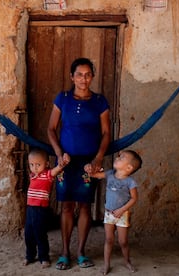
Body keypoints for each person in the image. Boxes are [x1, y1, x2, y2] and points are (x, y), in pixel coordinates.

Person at [47, 57, 111, 270]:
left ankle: (81, 252)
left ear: (92, 76)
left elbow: (106, 133)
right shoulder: (63, 98)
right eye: (79, 74)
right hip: (66, 161)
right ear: (72, 77)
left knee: (85, 206)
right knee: (66, 206)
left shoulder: (100, 101)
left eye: (88, 74)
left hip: (88, 163)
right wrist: (58, 154)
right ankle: (65, 252)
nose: (84, 79)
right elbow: (51, 129)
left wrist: (98, 158)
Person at [85, 149, 142, 275]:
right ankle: (106, 264)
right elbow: (95, 175)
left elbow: (134, 199)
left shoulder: (130, 182)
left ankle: (127, 261)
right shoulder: (110, 174)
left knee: (123, 242)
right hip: (109, 214)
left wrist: (122, 210)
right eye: (119, 156)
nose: (117, 158)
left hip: (122, 215)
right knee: (109, 240)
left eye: (122, 158)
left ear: (129, 167)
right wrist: (88, 169)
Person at [24, 148, 70, 268]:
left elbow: (57, 169)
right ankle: (30, 256)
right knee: (28, 234)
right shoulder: (32, 175)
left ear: (47, 164)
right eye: (31, 164)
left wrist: (63, 162)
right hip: (30, 209)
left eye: (38, 164)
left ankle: (44, 257)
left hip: (40, 209)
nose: (35, 167)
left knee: (40, 234)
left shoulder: (48, 174)